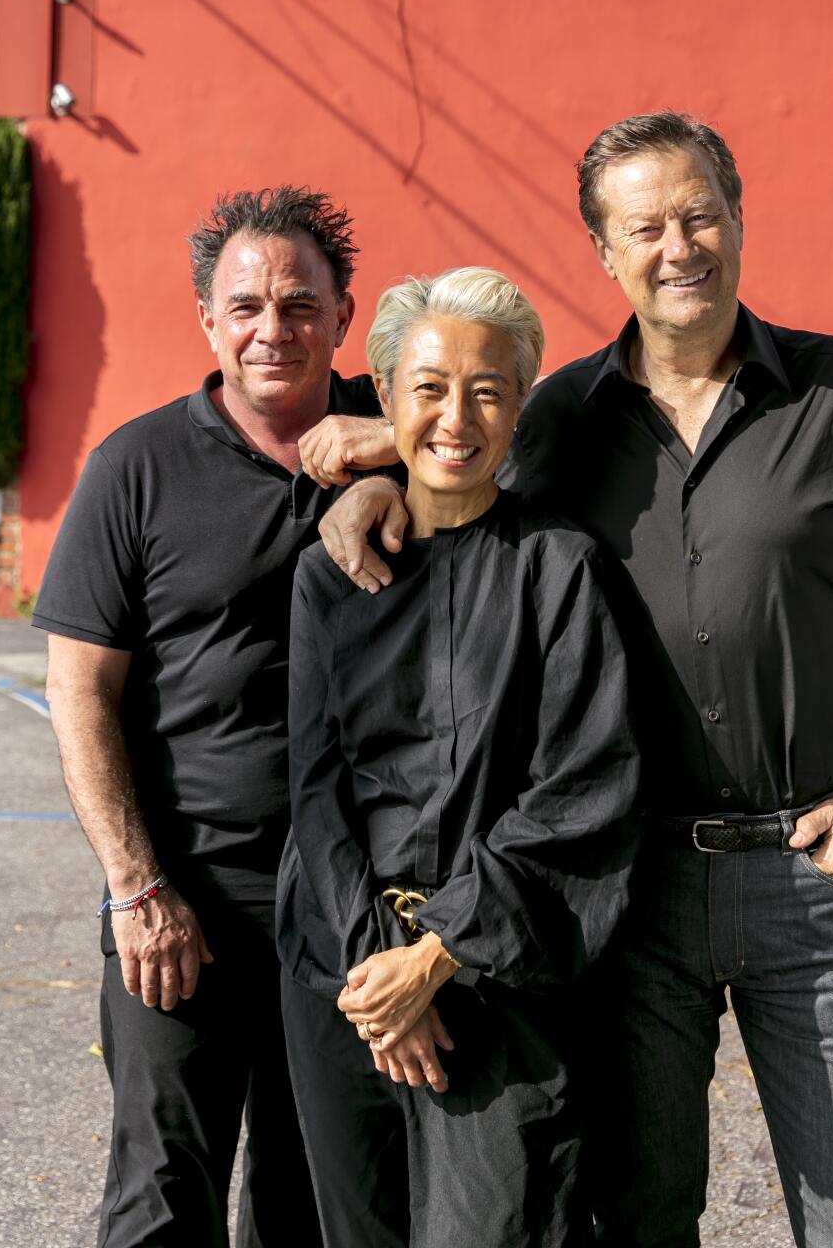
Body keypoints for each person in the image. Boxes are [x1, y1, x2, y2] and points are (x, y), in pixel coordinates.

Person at [308, 112, 833, 1248]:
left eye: (699, 215)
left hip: (816, 883)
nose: (680, 246)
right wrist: (379, 476)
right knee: (636, 1216)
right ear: (604, 254)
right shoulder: (564, 419)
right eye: (647, 227)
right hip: (632, 896)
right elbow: (461, 465)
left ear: (737, 220)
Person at [36, 186, 381, 1248]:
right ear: (207, 321)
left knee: (311, 1197)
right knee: (160, 1197)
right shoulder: (134, 470)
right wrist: (136, 887)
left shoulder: (411, 438)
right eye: (244, 307)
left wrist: (393, 454)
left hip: (349, 904)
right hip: (185, 900)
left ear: (343, 314)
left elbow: (518, 441)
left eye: (297, 304)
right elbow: (79, 694)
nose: (271, 329)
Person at [277, 267, 642, 1248]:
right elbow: (317, 790)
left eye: (487, 389)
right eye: (428, 387)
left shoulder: (561, 571)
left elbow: (582, 793)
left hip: (502, 976)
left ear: (521, 403)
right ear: (384, 397)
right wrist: (380, 975)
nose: (455, 415)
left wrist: (438, 955)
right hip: (345, 981)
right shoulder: (330, 574)